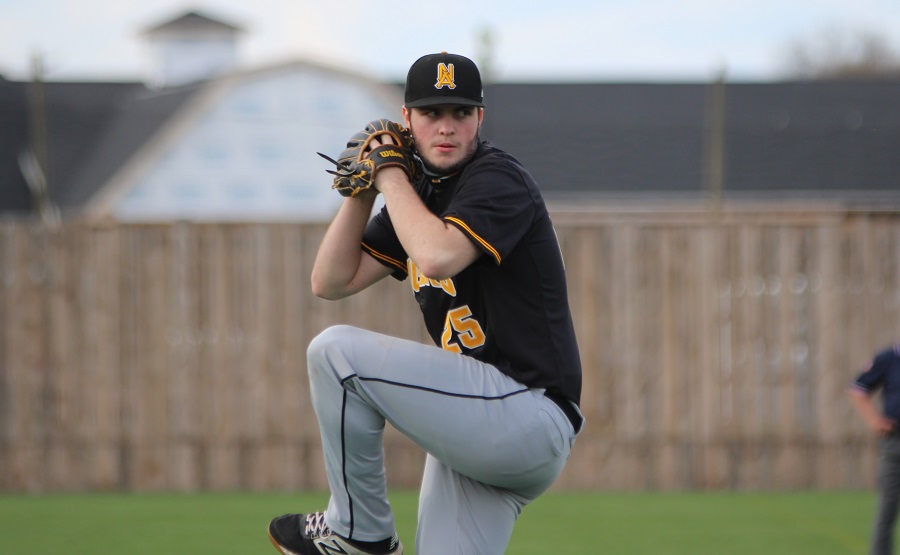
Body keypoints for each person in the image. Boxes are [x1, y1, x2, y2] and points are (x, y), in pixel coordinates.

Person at [267, 52, 584, 555]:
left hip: (525, 414)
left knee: (336, 353)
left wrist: (389, 176)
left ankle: (357, 532)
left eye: (460, 112)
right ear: (407, 119)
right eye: (432, 112)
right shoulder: (416, 196)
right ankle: (359, 536)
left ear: (479, 118)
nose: (446, 126)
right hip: (477, 427)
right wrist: (363, 190)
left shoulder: (496, 178)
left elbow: (436, 257)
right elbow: (330, 280)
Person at [848, 343, 900, 555]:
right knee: (887, 511)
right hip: (895, 443)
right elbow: (857, 389)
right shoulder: (889, 358)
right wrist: (873, 419)